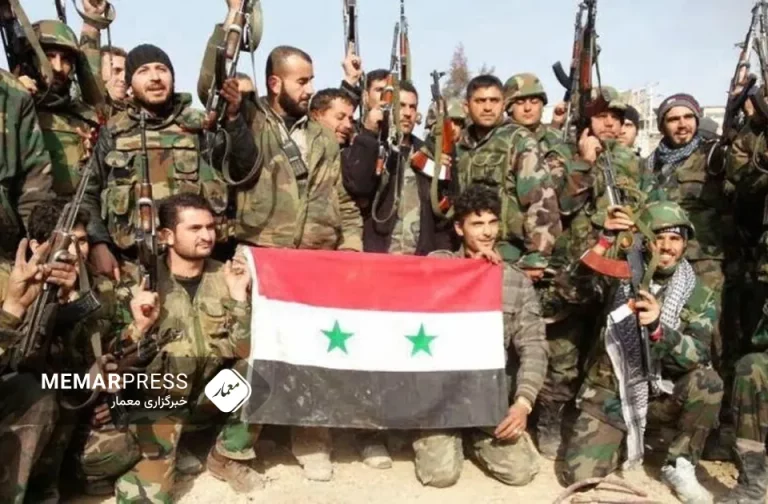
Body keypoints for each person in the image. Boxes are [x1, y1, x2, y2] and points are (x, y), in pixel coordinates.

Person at [560, 202, 721, 504]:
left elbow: (698, 353)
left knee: (707, 382)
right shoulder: (620, 273)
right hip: (613, 389)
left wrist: (660, 329)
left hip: (664, 393)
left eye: (675, 238)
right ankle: (622, 439)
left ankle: (679, 464)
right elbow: (569, 291)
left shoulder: (700, 292)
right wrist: (605, 239)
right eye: (658, 237)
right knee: (580, 476)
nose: (667, 246)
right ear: (643, 241)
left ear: (685, 243)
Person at [114, 193, 260, 501]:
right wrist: (137, 328)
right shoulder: (138, 282)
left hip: (208, 401)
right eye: (195, 228)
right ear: (166, 236)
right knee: (149, 495)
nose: (207, 236)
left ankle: (226, 456)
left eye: (210, 227)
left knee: (263, 365)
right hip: (158, 404)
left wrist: (238, 299)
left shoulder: (226, 276)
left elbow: (243, 350)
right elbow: (113, 361)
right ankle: (169, 452)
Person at [534, 87, 650, 459]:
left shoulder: (632, 162)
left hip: (616, 271)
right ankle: (551, 420)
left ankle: (599, 424)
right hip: (574, 269)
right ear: (588, 120)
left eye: (617, 118)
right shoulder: (562, 155)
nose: (610, 124)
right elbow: (561, 205)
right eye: (602, 117)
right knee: (563, 351)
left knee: (604, 350)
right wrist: (584, 163)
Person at [413, 184, 547, 488]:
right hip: (441, 396)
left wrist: (523, 403)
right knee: (440, 476)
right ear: (459, 228)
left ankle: (475, 436)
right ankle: (440, 434)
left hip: (486, 395)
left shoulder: (515, 281)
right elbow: (415, 279)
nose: (487, 232)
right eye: (477, 224)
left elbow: (534, 346)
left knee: (520, 473)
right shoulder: (440, 264)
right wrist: (469, 271)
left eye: (492, 222)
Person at [85, 43, 249, 281]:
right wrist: (99, 244)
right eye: (143, 71)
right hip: (131, 265)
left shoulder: (200, 127)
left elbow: (243, 169)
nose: (155, 77)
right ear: (130, 84)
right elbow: (87, 194)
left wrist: (233, 119)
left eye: (162, 69)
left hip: (200, 267)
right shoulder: (113, 132)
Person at [646, 94, 729, 363]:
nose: (682, 124)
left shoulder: (713, 156)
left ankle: (709, 377)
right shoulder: (650, 164)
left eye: (688, 117)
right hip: (661, 258)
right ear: (662, 125)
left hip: (703, 259)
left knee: (708, 327)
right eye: (673, 119)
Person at [456, 74, 562, 277]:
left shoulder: (518, 140)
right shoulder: (460, 146)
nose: (488, 107)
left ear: (503, 104)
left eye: (494, 101)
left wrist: (536, 256)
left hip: (509, 255)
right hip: (467, 254)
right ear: (466, 106)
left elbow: (541, 200)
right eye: (480, 101)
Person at [342, 80, 451, 254]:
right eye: (401, 106)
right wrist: (369, 133)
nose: (408, 113)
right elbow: (358, 186)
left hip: (420, 259)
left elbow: (443, 213)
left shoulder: (428, 154)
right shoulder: (370, 147)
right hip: (378, 256)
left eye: (412, 107)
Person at [503, 73, 561, 153]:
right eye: (520, 102)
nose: (528, 108)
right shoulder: (497, 140)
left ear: (542, 105)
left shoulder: (558, 139)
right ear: (509, 107)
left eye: (534, 101)